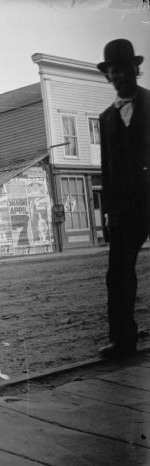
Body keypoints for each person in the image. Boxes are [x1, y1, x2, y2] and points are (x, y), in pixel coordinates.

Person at [96, 39, 150, 358]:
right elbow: (108, 170)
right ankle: (122, 340)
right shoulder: (105, 118)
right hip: (124, 210)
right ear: (108, 76)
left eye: (124, 69)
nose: (119, 76)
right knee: (118, 276)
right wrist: (108, 213)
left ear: (136, 70)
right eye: (113, 71)